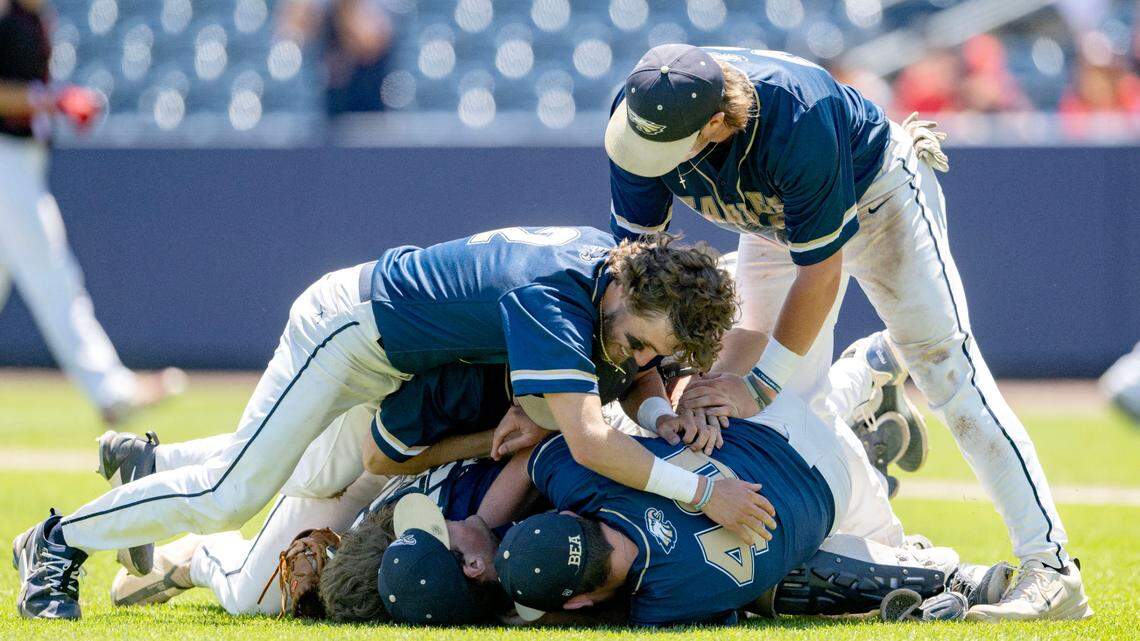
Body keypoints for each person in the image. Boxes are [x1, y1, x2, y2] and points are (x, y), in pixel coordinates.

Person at [11, 227, 757, 620]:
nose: (635, 360)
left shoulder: (607, 278)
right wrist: (702, 492)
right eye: (636, 341)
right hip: (350, 331)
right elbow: (588, 438)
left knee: (313, 470)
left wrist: (660, 406)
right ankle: (54, 542)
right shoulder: (555, 296)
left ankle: (154, 464)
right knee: (231, 495)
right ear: (627, 281)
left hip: (391, 351)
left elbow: (630, 375)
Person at [603, 43, 1089, 620]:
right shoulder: (645, 104)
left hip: (876, 193)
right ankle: (865, 389)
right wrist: (666, 384)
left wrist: (755, 383)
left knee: (947, 372)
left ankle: (1052, 570)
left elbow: (821, 271)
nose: (647, 156)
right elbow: (638, 276)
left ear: (716, 121)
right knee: (772, 413)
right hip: (769, 224)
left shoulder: (794, 114)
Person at [379, 345, 1018, 626]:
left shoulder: (663, 606)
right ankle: (866, 377)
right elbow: (544, 452)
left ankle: (941, 571)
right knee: (744, 412)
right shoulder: (587, 483)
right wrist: (491, 527)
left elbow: (607, 599)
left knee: (786, 581)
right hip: (769, 422)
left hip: (830, 500)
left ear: (578, 605)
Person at [0, 0, 183, 425]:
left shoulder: (33, 18)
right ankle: (110, 389)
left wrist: (48, 102)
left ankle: (110, 388)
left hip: (23, 158)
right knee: (54, 277)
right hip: (6, 161)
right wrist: (50, 100)